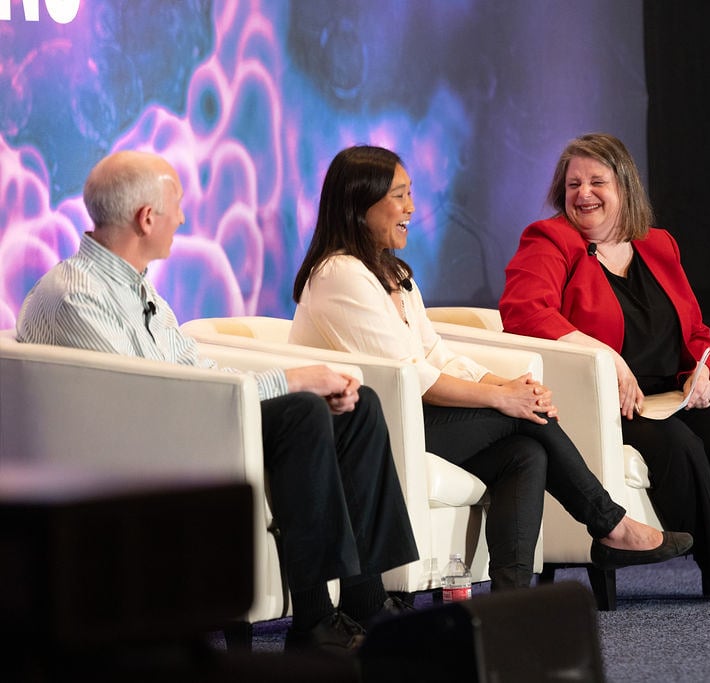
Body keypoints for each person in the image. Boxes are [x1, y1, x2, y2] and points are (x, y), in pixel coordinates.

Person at [16, 150, 420, 656]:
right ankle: (313, 621)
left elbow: (199, 376)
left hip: (183, 421)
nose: (183, 218)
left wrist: (293, 382)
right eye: (177, 206)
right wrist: (293, 383)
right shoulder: (75, 295)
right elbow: (145, 395)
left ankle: (366, 602)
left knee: (358, 407)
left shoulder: (139, 290)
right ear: (147, 218)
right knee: (302, 411)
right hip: (141, 447)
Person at [288, 145, 694, 592]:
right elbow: (411, 377)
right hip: (374, 426)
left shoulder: (392, 273)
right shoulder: (340, 275)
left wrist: (507, 383)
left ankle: (511, 600)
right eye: (399, 196)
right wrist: (503, 398)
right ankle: (610, 524)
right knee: (526, 420)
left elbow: (436, 352)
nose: (412, 208)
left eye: (411, 194)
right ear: (360, 204)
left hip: (412, 416)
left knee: (525, 452)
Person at [499, 133, 710, 601]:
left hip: (665, 392)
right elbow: (524, 312)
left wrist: (699, 372)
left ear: (624, 187)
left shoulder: (657, 245)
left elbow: (696, 332)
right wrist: (605, 356)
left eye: (597, 181)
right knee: (677, 443)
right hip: (602, 402)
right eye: (573, 183)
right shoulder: (550, 240)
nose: (583, 194)